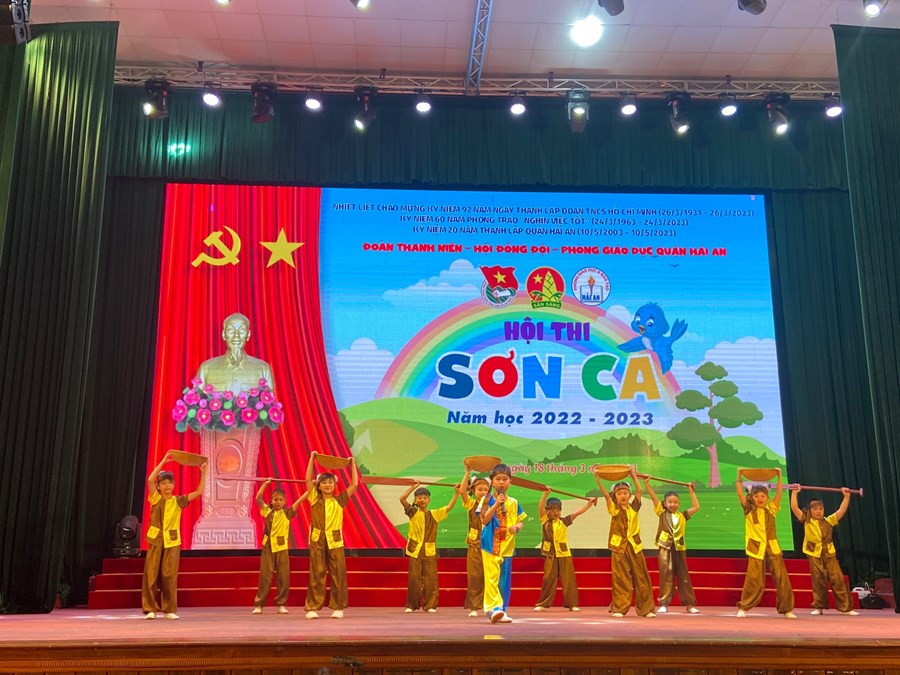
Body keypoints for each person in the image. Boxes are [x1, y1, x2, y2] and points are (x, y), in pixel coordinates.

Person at [142, 450, 208, 619]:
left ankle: (169, 609)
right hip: (156, 540)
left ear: (174, 485)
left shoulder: (178, 501)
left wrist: (203, 473)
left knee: (169, 575)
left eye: (169, 483)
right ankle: (150, 608)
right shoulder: (155, 498)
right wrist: (164, 461)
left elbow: (198, 492)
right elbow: (150, 479)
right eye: (163, 483)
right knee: (151, 574)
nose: (167, 486)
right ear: (158, 486)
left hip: (172, 541)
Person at [303, 452, 358, 619]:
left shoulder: (339, 499)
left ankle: (338, 607)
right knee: (316, 572)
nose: (327, 485)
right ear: (319, 486)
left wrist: (352, 464)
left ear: (335, 485)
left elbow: (354, 484)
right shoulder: (314, 498)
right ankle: (312, 607)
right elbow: (307, 480)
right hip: (317, 539)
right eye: (324, 482)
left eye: (330, 482)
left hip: (335, 540)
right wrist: (311, 458)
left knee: (338, 573)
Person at [595, 467, 655, 617]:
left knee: (641, 577)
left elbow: (639, 491)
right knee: (621, 578)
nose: (622, 495)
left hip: (635, 546)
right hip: (619, 547)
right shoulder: (614, 508)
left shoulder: (634, 507)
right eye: (619, 493)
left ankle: (646, 609)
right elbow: (606, 496)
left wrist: (633, 475)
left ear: (629, 495)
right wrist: (598, 479)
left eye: (625, 493)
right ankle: (619, 608)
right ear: (615, 496)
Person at [735, 468, 796, 618]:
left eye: (763, 496)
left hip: (772, 547)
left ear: (767, 498)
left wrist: (780, 476)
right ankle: (744, 607)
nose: (760, 498)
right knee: (753, 578)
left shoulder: (771, 509)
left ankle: (786, 609)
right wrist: (739, 475)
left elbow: (779, 493)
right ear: (752, 497)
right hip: (756, 547)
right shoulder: (749, 509)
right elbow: (739, 493)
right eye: (756, 496)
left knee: (781, 577)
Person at [790, 486, 858, 616]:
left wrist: (846, 497)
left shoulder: (829, 521)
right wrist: (794, 493)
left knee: (837, 579)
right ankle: (819, 606)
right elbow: (794, 508)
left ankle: (846, 608)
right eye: (815, 509)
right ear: (810, 511)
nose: (818, 511)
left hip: (829, 553)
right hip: (813, 553)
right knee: (818, 580)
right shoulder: (807, 520)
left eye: (820, 509)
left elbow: (841, 510)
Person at [642, 477, 701, 614]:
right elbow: (653, 498)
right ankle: (664, 603)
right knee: (666, 575)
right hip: (665, 547)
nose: (673, 504)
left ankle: (689, 604)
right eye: (670, 502)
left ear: (679, 504)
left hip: (679, 548)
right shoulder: (662, 513)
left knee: (683, 576)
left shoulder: (683, 515)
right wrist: (646, 483)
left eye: (675, 502)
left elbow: (696, 507)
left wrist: (691, 490)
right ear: (665, 503)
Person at [399, 482, 459, 612]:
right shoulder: (413, 512)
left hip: (429, 551)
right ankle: (412, 605)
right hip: (415, 550)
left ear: (429, 500)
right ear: (415, 500)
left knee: (431, 579)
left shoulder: (435, 514)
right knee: (414, 579)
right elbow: (402, 498)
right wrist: (413, 487)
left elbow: (449, 507)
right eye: (419, 497)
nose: (422, 500)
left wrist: (456, 493)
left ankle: (430, 605)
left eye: (425, 497)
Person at [533, 490, 596, 612]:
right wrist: (545, 494)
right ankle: (543, 604)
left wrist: (589, 504)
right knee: (548, 578)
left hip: (564, 553)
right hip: (550, 553)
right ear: (547, 511)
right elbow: (540, 507)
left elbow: (577, 513)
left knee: (568, 579)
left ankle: (572, 604)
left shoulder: (564, 521)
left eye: (558, 510)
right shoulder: (545, 520)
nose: (555, 512)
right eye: (552, 509)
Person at [251, 479, 308, 614]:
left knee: (283, 576)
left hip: (282, 549)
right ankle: (259, 604)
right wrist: (266, 483)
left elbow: (300, 500)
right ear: (271, 501)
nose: (278, 502)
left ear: (285, 502)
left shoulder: (287, 513)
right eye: (275, 499)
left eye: (281, 500)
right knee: (265, 576)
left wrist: (311, 487)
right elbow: (258, 498)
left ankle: (281, 604)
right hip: (268, 548)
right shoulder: (267, 511)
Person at [480, 463, 527, 624]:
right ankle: (493, 609)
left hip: (507, 545)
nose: (501, 482)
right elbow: (484, 520)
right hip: (490, 544)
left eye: (505, 479)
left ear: (510, 482)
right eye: (498, 479)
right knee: (491, 578)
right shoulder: (486, 500)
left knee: (504, 581)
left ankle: (502, 610)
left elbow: (521, 521)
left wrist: (517, 528)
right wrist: (495, 505)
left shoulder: (514, 502)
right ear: (492, 481)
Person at [195, 312, 275, 393]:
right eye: (231, 330)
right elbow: (197, 397)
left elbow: (270, 398)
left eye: (242, 330)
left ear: (248, 335)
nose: (236, 335)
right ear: (223, 334)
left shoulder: (263, 368)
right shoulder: (206, 368)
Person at [458, 466, 489, 617]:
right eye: (480, 489)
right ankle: (474, 607)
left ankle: (490, 605)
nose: (483, 492)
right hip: (474, 545)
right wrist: (467, 472)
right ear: (474, 491)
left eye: (485, 490)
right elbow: (462, 492)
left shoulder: (493, 504)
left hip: (490, 545)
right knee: (475, 576)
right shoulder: (471, 504)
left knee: (490, 577)